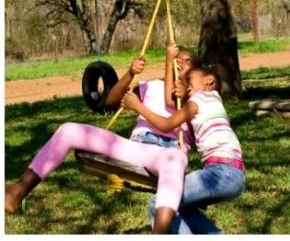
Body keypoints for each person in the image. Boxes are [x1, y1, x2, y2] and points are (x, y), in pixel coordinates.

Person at [5, 59, 189, 234]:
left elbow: (176, 109)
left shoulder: (197, 96)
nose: (177, 62)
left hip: (166, 153)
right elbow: (109, 103)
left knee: (174, 159)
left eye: (186, 61)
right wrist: (130, 73)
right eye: (175, 58)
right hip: (135, 148)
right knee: (69, 130)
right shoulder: (152, 85)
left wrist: (183, 87)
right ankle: (18, 191)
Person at [121, 65, 246, 234]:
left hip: (220, 173)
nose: (185, 84)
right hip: (235, 178)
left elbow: (167, 125)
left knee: (160, 205)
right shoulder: (214, 102)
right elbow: (172, 101)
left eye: (189, 80)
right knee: (181, 208)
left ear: (209, 80)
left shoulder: (199, 99)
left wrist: (138, 107)